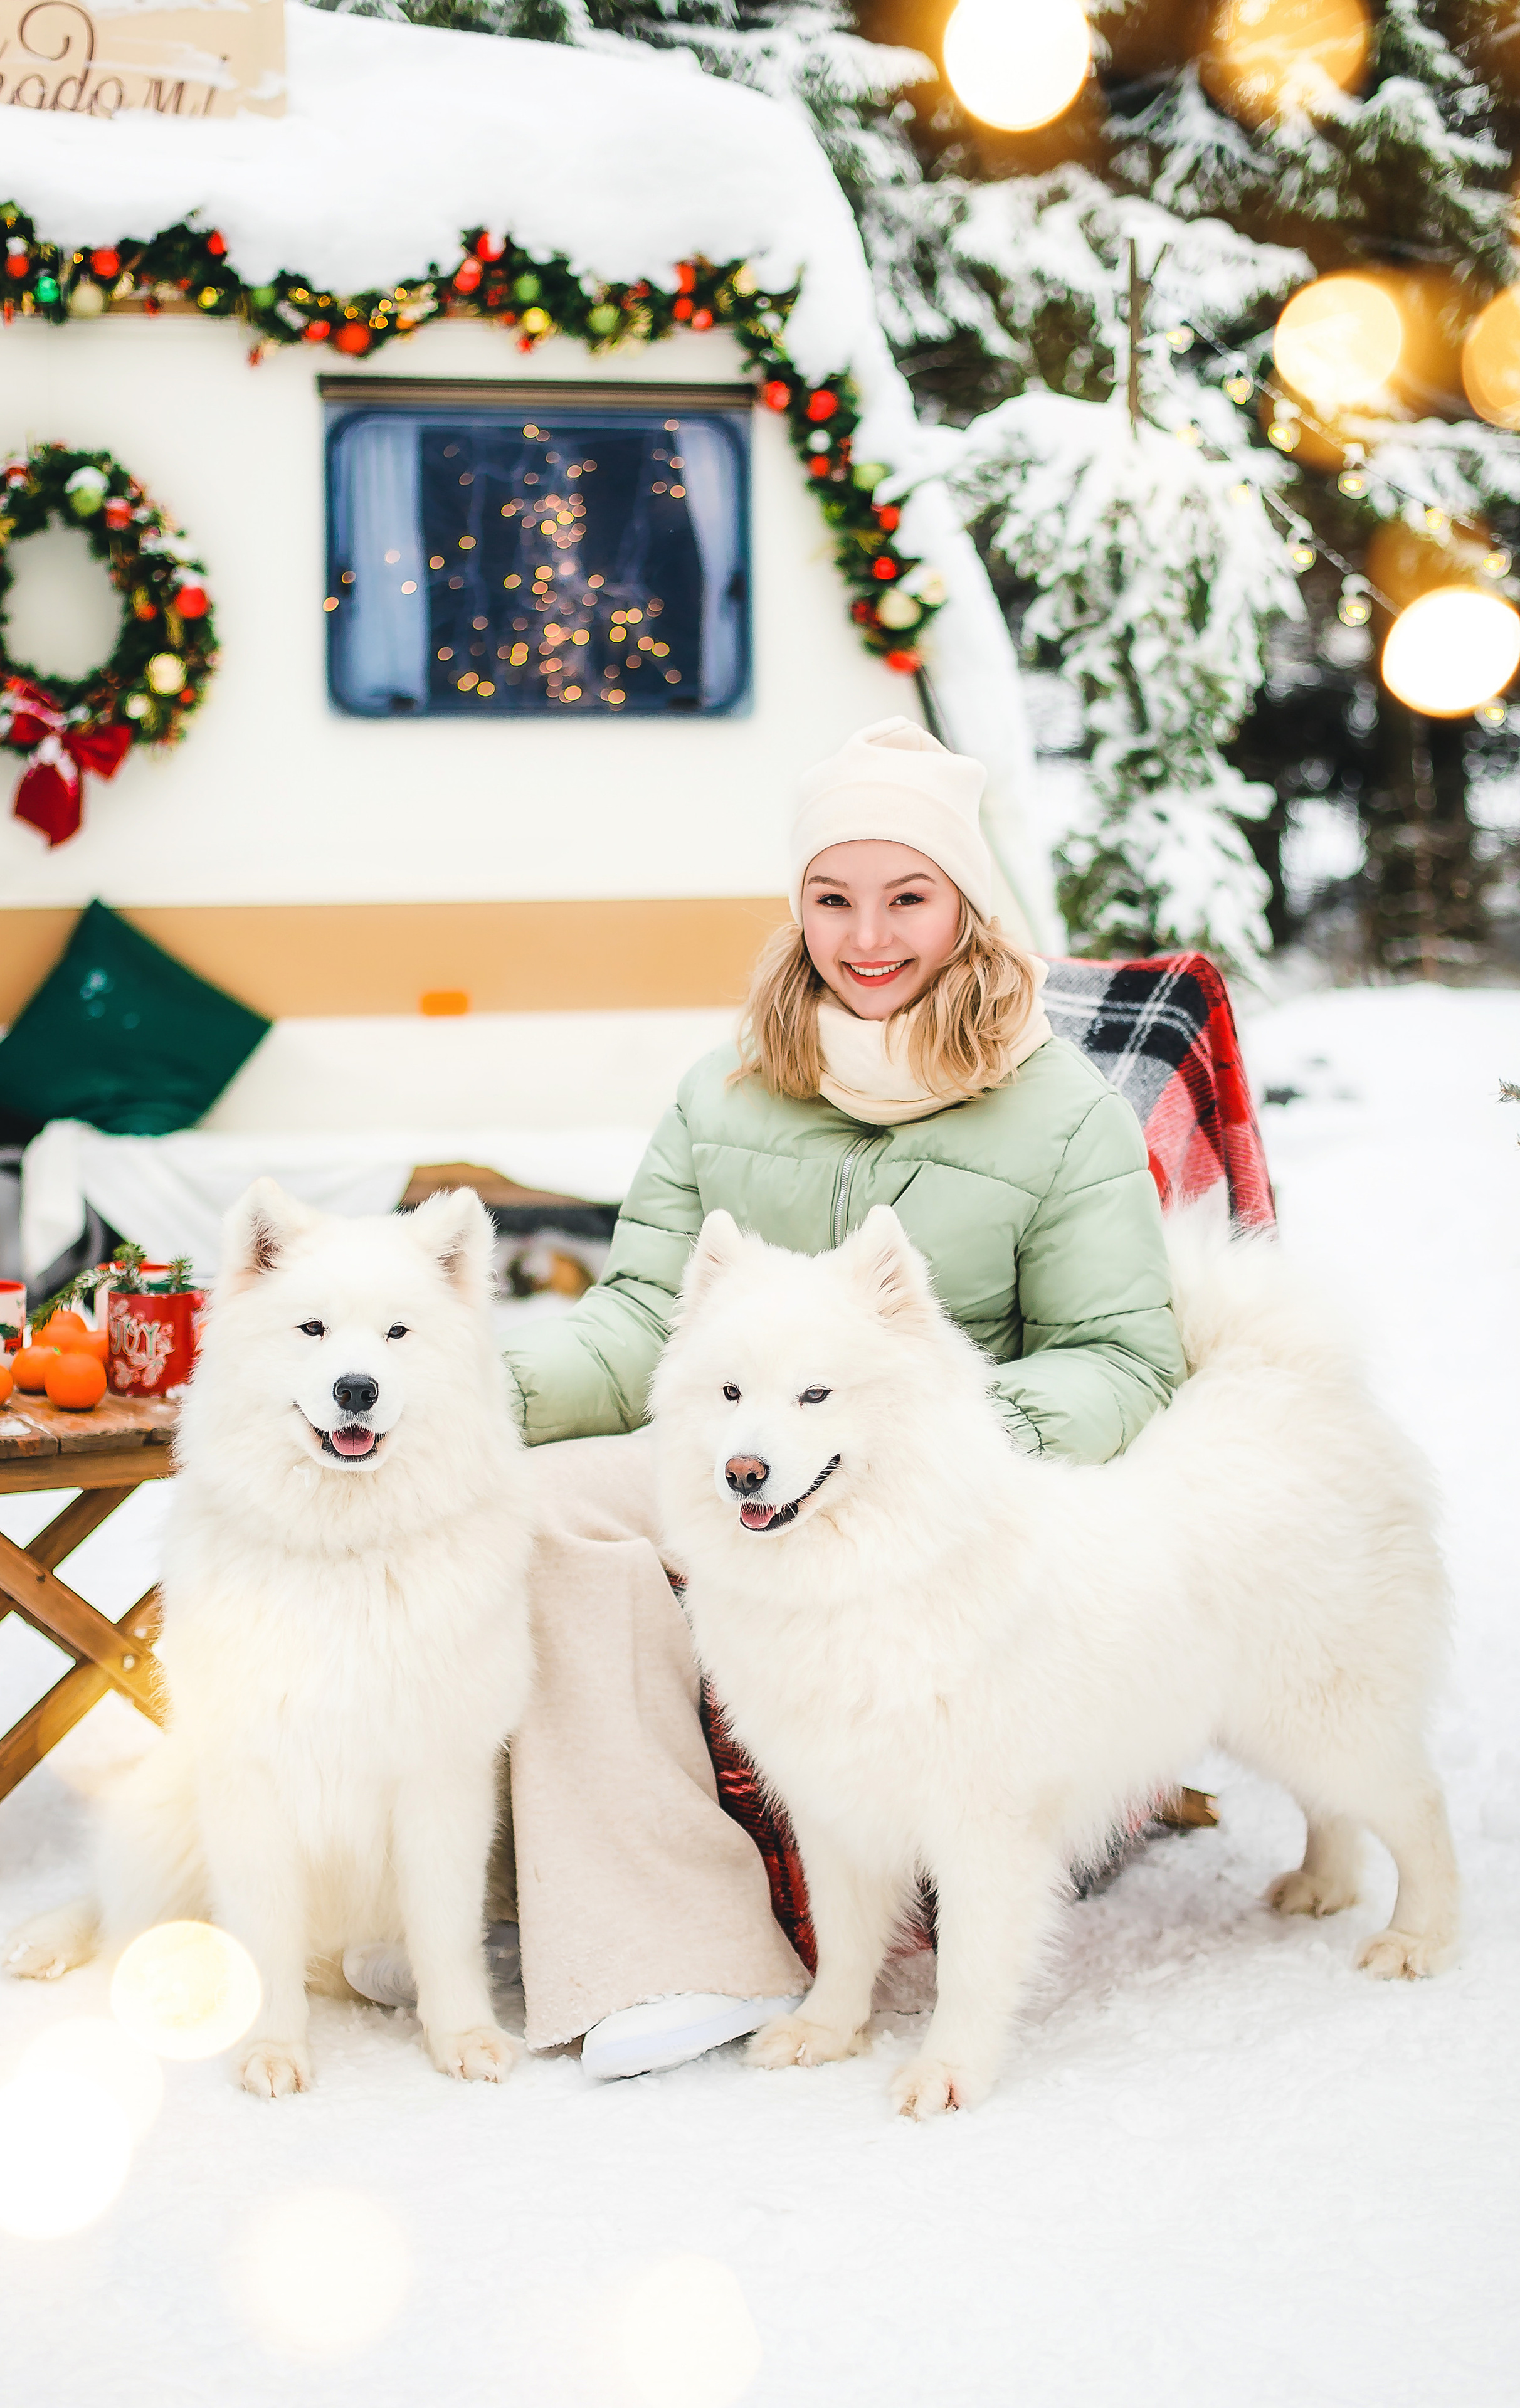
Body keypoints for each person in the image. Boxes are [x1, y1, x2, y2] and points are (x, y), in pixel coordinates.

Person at [346, 717, 1186, 2076]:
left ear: (963, 906)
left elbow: (1121, 1354)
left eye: (907, 897)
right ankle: (663, 1945)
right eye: (832, 897)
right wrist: (475, 1393)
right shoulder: (723, 1088)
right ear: (794, 907)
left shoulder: (1057, 1113)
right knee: (543, 1511)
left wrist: (961, 1442)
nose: (868, 936)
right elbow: (636, 1325)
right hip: (735, 1438)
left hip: (946, 1479)